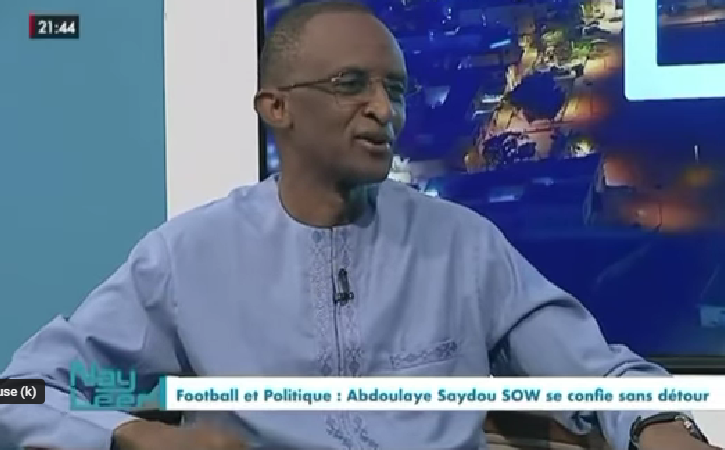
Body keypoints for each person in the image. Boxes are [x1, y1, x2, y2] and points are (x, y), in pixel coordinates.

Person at [0, 2, 718, 449]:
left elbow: (593, 374)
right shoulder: (189, 258)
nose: (384, 109)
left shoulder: (461, 247)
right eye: (351, 85)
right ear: (276, 108)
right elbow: (29, 390)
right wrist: (131, 434)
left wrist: (659, 423)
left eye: (394, 90)